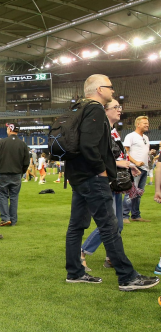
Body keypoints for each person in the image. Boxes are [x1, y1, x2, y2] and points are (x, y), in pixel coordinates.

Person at [64, 74, 158, 291]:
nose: (113, 91)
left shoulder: (77, 108)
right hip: (93, 177)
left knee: (76, 226)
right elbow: (89, 145)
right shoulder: (95, 109)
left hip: (78, 176)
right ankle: (127, 277)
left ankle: (75, 272)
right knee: (109, 226)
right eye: (110, 88)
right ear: (99, 90)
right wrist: (102, 172)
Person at [80, 98, 135, 271]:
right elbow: (94, 153)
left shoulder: (113, 132)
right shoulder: (101, 131)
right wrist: (118, 164)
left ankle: (111, 256)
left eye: (120, 107)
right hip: (104, 181)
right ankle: (81, 252)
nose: (120, 110)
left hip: (114, 182)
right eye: (116, 107)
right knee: (109, 223)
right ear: (105, 110)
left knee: (117, 223)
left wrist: (127, 165)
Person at [0, 122, 29, 227]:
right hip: (16, 174)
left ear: (9, 130)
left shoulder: (2, 142)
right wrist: (22, 172)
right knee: (14, 197)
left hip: (3, 173)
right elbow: (26, 161)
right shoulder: (23, 144)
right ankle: (13, 219)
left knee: (3, 196)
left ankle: (5, 218)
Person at [122, 115, 151, 223]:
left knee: (139, 193)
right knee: (130, 192)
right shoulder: (131, 136)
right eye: (145, 123)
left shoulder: (146, 138)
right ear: (138, 124)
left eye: (147, 123)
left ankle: (135, 215)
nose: (147, 125)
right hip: (134, 168)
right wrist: (135, 162)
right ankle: (124, 216)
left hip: (144, 168)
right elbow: (126, 152)